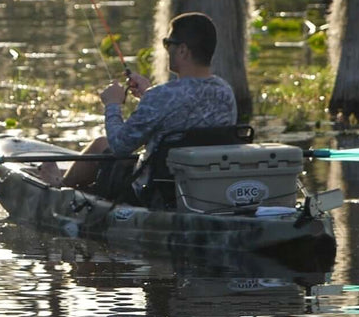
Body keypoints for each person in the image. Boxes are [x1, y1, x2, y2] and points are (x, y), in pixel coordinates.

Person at [46, 12, 238, 200]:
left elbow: (120, 146)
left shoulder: (161, 96)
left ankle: (59, 189)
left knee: (101, 144)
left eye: (168, 43)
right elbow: (186, 115)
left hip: (151, 189)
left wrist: (112, 105)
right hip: (200, 188)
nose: (167, 49)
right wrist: (148, 95)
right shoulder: (225, 91)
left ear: (182, 50)